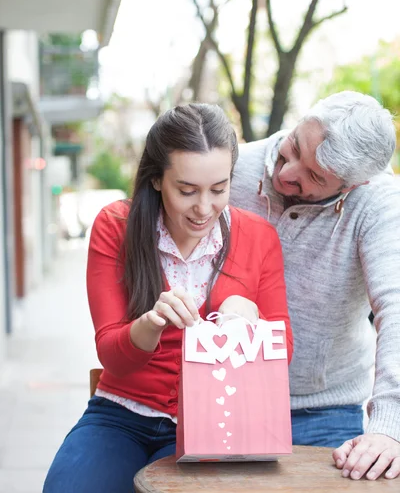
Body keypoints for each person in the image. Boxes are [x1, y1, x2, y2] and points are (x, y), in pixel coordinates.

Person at [43, 103, 293, 493]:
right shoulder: (117, 227)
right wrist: (150, 322)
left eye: (219, 189)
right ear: (157, 179)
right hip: (122, 414)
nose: (204, 208)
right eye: (186, 190)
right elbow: (110, 354)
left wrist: (252, 317)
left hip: (217, 423)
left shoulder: (259, 237)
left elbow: (284, 353)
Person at [229, 90, 400, 481]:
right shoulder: (234, 168)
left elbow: (396, 306)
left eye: (315, 177)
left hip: (322, 411)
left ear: (353, 186)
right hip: (222, 393)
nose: (288, 173)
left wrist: (390, 426)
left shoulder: (380, 204)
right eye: (294, 146)